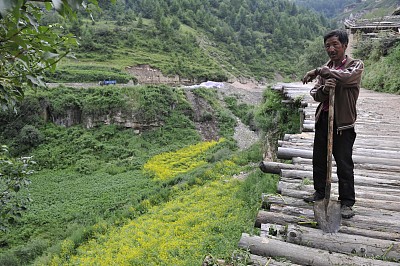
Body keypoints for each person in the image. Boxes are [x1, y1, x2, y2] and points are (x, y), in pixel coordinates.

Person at [302, 29, 364, 219]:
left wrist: (321, 71)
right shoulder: (326, 69)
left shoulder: (356, 65)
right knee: (319, 159)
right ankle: (320, 192)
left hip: (343, 124)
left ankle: (346, 202)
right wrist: (324, 89)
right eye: (328, 46)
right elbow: (315, 94)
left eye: (335, 44)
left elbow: (346, 78)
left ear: (344, 45)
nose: (331, 49)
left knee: (344, 163)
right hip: (324, 120)